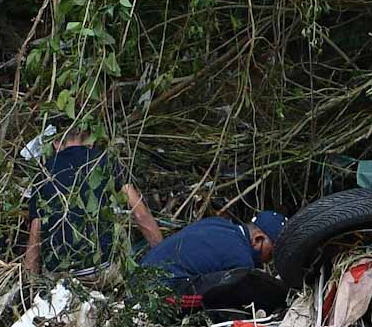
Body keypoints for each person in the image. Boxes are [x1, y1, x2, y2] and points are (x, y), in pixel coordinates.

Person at [23, 120, 164, 276]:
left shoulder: (44, 174)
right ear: (91, 140)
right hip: (102, 271)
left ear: (56, 143)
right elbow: (140, 214)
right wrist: (164, 262)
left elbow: (35, 233)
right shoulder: (106, 161)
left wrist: (31, 283)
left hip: (59, 277)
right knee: (119, 222)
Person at [139, 210, 286, 286]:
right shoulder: (241, 259)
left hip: (139, 277)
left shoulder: (217, 223)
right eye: (271, 252)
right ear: (257, 239)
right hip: (157, 291)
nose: (269, 260)